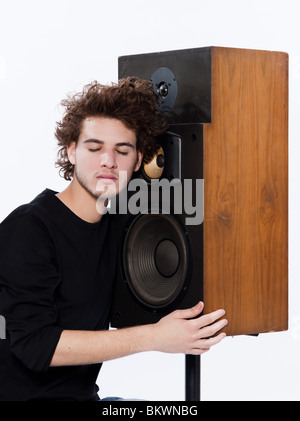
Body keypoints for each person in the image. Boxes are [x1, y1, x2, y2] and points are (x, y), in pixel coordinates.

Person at [0, 78, 227, 401]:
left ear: (137, 162)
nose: (108, 160)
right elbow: (35, 346)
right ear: (71, 151)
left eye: (122, 150)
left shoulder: (123, 229)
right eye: (94, 148)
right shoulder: (29, 229)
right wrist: (154, 337)